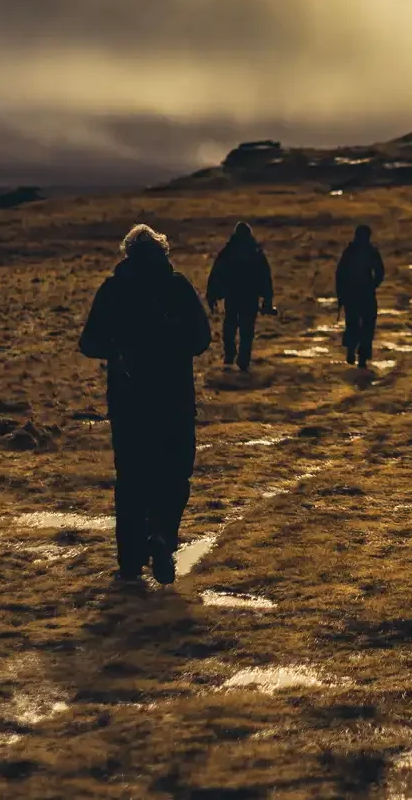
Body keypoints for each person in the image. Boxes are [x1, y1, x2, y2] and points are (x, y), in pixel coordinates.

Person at [78, 224, 211, 584]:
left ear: (127, 254)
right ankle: (164, 536)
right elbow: (202, 339)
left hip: (128, 402)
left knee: (132, 479)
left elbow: (88, 343)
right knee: (175, 474)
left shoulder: (113, 289)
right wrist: (173, 343)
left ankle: (131, 561)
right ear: (163, 252)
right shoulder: (177, 287)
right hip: (175, 399)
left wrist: (119, 346)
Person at [205, 222, 275, 370]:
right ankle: (242, 359)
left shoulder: (228, 252)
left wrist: (213, 295)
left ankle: (231, 355)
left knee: (231, 326)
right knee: (246, 329)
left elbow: (216, 273)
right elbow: (265, 278)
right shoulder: (255, 252)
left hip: (234, 295)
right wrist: (267, 300)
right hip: (249, 297)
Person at [335, 224, 386, 367]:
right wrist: (372, 285)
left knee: (358, 324)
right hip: (361, 294)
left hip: (357, 293)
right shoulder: (365, 251)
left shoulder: (352, 251)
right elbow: (380, 273)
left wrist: (341, 294)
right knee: (362, 325)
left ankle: (357, 353)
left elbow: (340, 274)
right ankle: (357, 354)